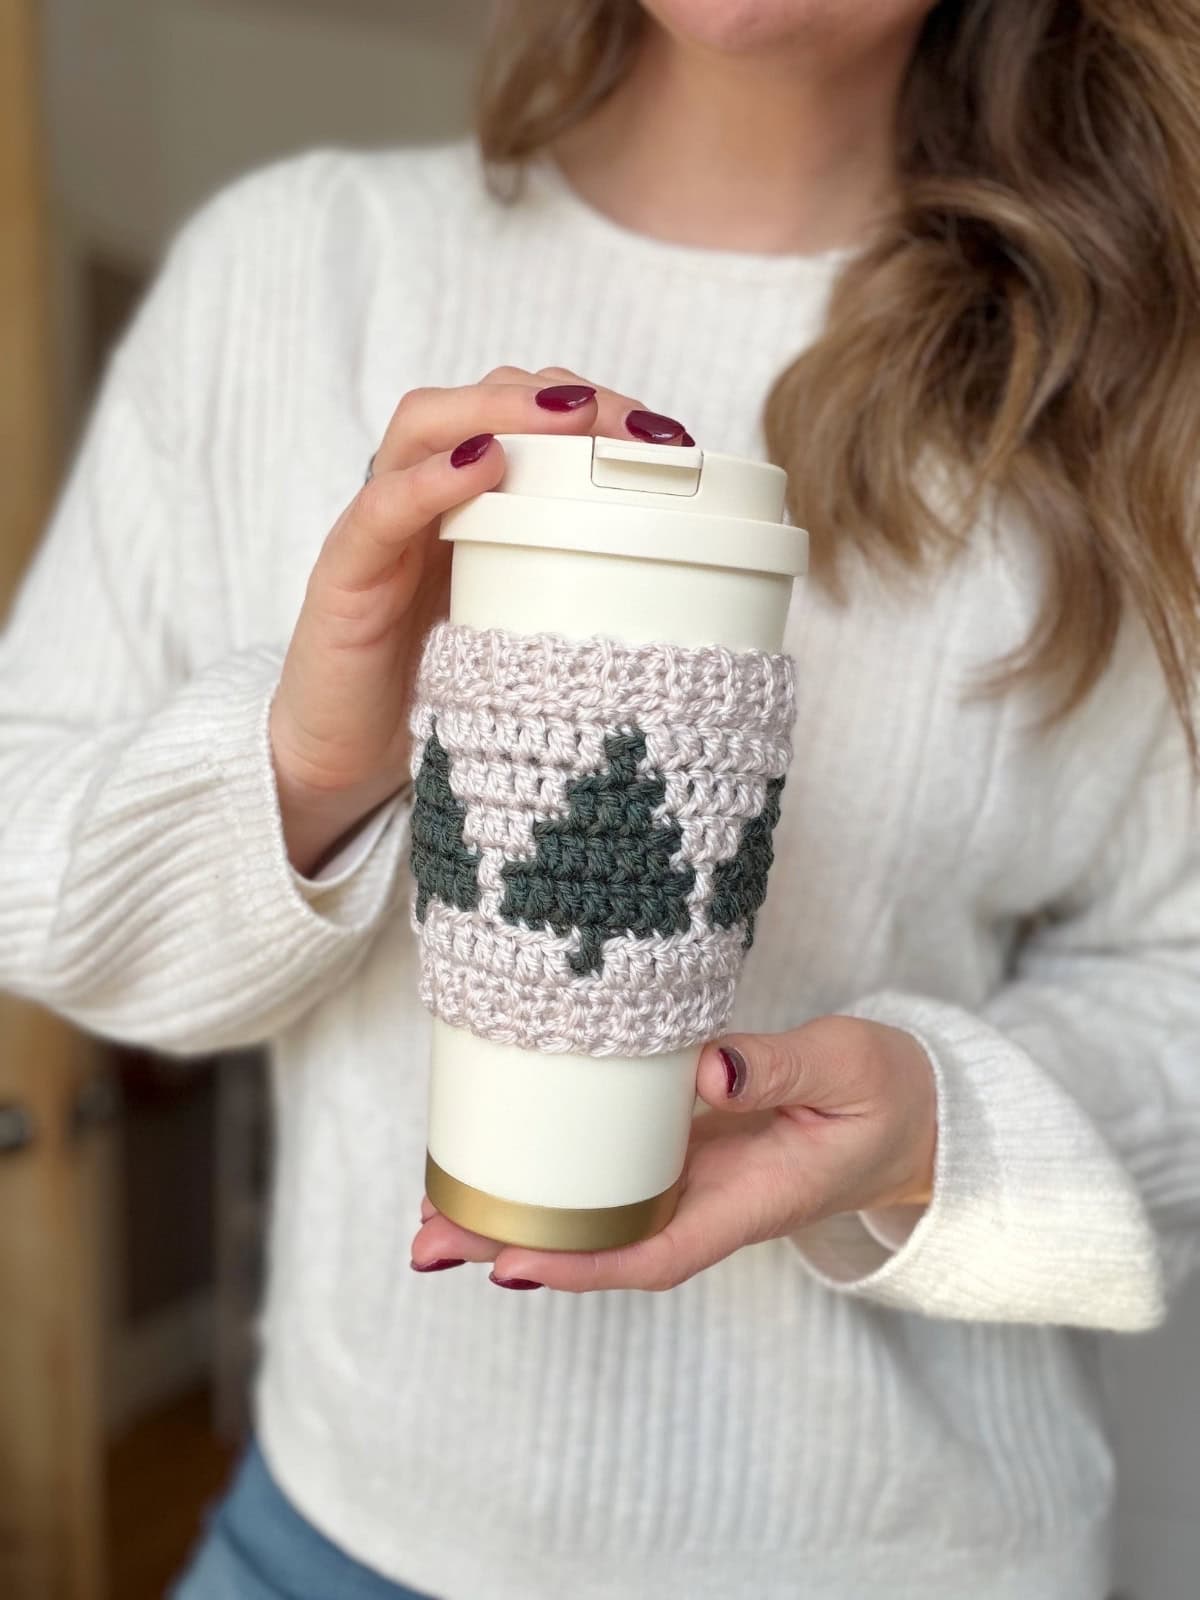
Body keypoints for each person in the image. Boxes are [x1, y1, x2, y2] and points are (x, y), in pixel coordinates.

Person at [2, 0, 1199, 1595]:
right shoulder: (297, 271)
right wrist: (313, 759)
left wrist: (937, 1125)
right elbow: (27, 860)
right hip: (339, 1531)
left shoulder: (1126, 385)